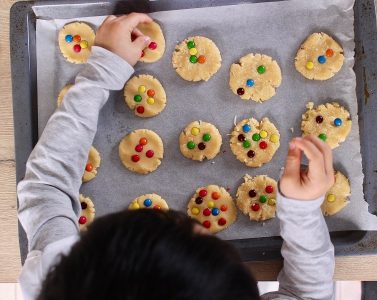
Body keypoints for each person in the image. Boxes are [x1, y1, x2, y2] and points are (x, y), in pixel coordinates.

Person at [17, 13, 335, 300]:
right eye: (208, 238)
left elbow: (46, 188)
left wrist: (103, 68)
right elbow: (309, 294)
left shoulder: (62, 280)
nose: (189, 216)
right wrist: (302, 211)